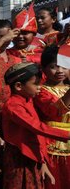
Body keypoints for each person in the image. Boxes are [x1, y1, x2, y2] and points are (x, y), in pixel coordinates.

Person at [2, 63, 70, 188]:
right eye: (36, 84)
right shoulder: (13, 106)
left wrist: (42, 162)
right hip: (19, 160)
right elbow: (37, 127)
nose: (40, 87)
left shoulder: (29, 100)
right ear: (18, 86)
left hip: (34, 158)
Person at [33, 46, 70, 189]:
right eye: (54, 67)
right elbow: (54, 111)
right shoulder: (40, 91)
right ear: (44, 69)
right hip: (53, 144)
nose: (60, 71)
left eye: (64, 66)